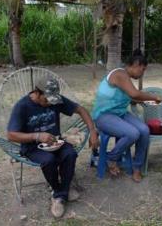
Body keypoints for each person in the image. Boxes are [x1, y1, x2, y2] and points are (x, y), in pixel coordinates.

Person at [7, 77, 99, 218]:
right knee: (49, 160)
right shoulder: (22, 106)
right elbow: (11, 135)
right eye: (47, 99)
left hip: (56, 142)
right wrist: (36, 136)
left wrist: (92, 131)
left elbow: (81, 110)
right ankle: (59, 194)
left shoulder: (54, 99)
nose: (50, 102)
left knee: (70, 154)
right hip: (32, 147)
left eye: (52, 99)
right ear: (37, 93)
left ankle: (61, 193)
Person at [91, 49, 161, 183]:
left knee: (144, 130)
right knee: (133, 133)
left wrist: (143, 101)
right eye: (143, 69)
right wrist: (154, 97)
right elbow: (134, 94)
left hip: (120, 114)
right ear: (136, 64)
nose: (142, 74)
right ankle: (111, 158)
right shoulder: (120, 74)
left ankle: (136, 167)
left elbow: (131, 98)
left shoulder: (126, 78)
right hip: (104, 116)